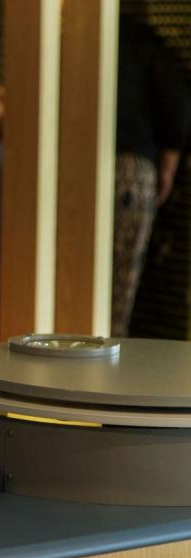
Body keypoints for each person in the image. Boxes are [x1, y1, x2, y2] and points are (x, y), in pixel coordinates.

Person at [112, 18, 190, 336]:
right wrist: (168, 165)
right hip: (131, 172)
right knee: (118, 294)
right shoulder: (141, 39)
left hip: (70, 171)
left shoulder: (64, 39)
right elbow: (178, 106)